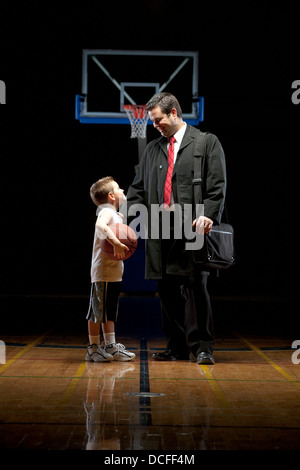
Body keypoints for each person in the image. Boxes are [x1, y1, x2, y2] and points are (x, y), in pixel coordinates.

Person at [121, 93, 226, 365]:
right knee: (165, 287)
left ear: (174, 113)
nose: (155, 126)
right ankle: (177, 345)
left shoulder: (205, 142)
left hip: (192, 224)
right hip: (158, 224)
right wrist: (123, 218)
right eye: (153, 122)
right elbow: (138, 188)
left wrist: (209, 216)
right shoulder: (153, 149)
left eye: (158, 120)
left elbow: (216, 187)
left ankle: (203, 346)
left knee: (194, 285)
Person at [86, 176, 135, 362]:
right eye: (119, 188)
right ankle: (92, 348)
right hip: (103, 272)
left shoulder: (114, 214)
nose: (123, 190)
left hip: (113, 272)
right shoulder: (105, 211)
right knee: (97, 311)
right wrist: (115, 242)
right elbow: (100, 225)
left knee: (109, 310)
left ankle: (110, 345)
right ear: (111, 196)